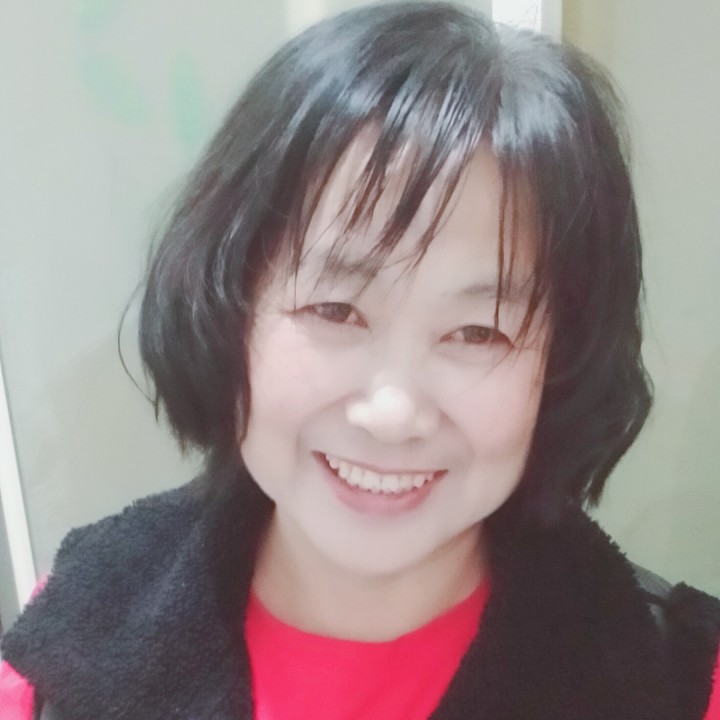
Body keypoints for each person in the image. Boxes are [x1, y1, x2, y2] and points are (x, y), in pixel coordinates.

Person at [1, 2, 719, 718]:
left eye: (477, 332)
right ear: (228, 311)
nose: (392, 413)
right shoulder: (68, 657)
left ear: (562, 366)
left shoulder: (675, 684)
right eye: (336, 311)